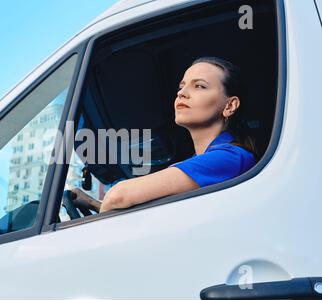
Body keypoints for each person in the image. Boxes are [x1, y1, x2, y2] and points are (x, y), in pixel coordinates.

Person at [98, 57, 258, 213]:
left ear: (230, 106)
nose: (182, 93)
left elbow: (118, 196)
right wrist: (90, 202)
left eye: (200, 86)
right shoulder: (200, 160)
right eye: (181, 86)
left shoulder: (231, 157)